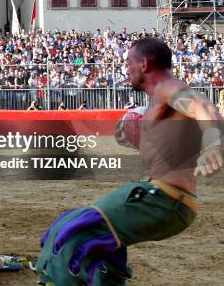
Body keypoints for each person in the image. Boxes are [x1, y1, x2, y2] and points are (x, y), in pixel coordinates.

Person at [36, 37, 223, 285]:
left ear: (143, 64)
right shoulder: (159, 98)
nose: (127, 69)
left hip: (164, 199)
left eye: (129, 63)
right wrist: (143, 139)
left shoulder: (168, 87)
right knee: (97, 244)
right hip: (164, 198)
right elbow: (170, 146)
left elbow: (204, 106)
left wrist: (213, 144)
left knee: (72, 234)